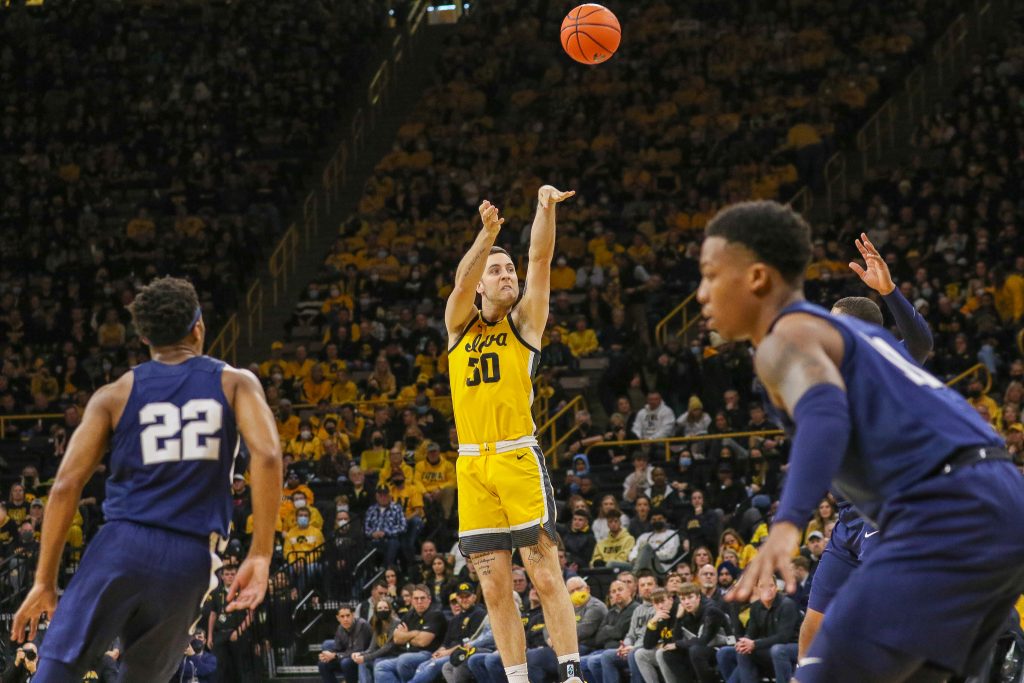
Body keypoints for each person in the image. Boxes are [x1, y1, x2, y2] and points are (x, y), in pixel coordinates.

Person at [699, 200, 1024, 682]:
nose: (701, 294)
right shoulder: (856, 342)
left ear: (758, 278)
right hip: (1001, 500)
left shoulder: (787, 336)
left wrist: (787, 524)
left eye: (709, 274)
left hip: (948, 505)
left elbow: (825, 417)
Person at [10, 277, 282, 681]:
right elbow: (268, 455)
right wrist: (260, 553)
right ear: (199, 327)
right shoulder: (235, 382)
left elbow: (66, 485)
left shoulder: (115, 394)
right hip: (190, 557)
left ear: (143, 337)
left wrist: (44, 581)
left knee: (58, 669)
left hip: (122, 544)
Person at [443, 186, 584, 683]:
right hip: (471, 466)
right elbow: (459, 286)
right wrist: (487, 236)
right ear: (482, 283)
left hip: (516, 456)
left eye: (509, 271)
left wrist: (544, 209)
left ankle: (570, 674)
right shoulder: (458, 325)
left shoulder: (525, 321)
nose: (509, 276)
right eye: (497, 271)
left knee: (544, 574)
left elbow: (540, 257)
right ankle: (517, 678)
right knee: (494, 588)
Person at [798, 232, 935, 659]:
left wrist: (891, 292)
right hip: (847, 518)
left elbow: (921, 344)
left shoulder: (886, 363)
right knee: (814, 622)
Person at [716, 579, 799, 683]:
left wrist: (754, 644)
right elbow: (751, 632)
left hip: (792, 647)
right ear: (756, 590)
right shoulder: (756, 606)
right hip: (767, 647)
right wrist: (744, 642)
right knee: (726, 652)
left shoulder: (787, 605)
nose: (768, 590)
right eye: (762, 586)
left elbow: (783, 637)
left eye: (771, 586)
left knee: (777, 650)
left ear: (776, 588)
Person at [319, 605, 372, 683]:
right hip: (347, 656)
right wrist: (326, 655)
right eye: (342, 616)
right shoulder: (340, 628)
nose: (345, 619)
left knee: (346, 663)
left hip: (364, 658)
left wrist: (335, 655)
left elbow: (358, 650)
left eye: (348, 615)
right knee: (323, 664)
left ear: (353, 615)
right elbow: (337, 648)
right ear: (338, 618)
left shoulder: (362, 625)